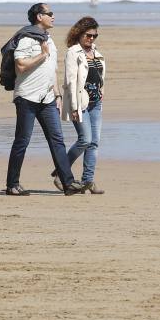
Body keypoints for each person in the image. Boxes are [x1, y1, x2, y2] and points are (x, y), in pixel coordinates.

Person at [5, 3, 85, 196]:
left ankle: (68, 184)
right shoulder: (26, 38)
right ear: (39, 17)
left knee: (57, 140)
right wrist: (42, 55)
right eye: (49, 13)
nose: (53, 16)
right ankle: (12, 185)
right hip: (27, 97)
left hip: (48, 98)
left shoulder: (48, 39)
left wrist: (57, 94)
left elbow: (52, 71)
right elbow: (21, 66)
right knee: (22, 141)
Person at [51, 16, 106, 194]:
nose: (91, 39)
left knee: (94, 143)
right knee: (85, 140)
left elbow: (99, 75)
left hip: (96, 103)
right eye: (88, 35)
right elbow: (71, 81)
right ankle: (62, 171)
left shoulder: (96, 52)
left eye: (94, 36)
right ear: (79, 34)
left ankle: (87, 181)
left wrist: (102, 90)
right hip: (80, 103)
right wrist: (74, 107)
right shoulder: (73, 52)